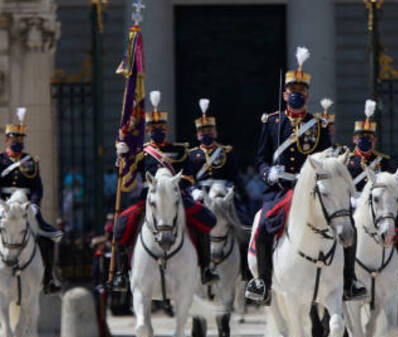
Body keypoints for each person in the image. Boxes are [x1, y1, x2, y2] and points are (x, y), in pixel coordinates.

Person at [245, 46, 367, 304]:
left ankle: (349, 281)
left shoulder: (318, 126)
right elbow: (261, 158)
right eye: (292, 91)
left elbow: (327, 159)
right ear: (284, 93)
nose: (296, 95)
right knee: (265, 223)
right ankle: (263, 282)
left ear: (308, 94)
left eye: (301, 92)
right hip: (280, 189)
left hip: (311, 189)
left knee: (348, 225)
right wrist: (269, 173)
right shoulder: (273, 123)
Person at [112, 90, 219, 291]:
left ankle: (205, 269)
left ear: (167, 128)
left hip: (176, 196)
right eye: (153, 127)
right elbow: (126, 179)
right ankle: (120, 274)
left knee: (204, 222)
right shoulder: (141, 153)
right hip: (149, 198)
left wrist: (179, 187)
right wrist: (121, 159)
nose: (157, 130)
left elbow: (188, 176)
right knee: (122, 226)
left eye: (160, 126)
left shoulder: (179, 150)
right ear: (148, 129)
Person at [0, 108, 63, 297]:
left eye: (20, 138)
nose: (17, 141)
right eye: (13, 138)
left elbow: (37, 187)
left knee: (48, 238)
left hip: (25, 204)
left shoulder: (31, 161)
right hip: (3, 205)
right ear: (6, 139)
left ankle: (49, 279)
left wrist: (34, 204)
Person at [343, 99, 398, 297]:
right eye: (361, 137)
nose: (365, 140)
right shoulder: (347, 161)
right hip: (354, 205)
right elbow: (342, 186)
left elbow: (393, 186)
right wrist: (351, 199)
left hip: (381, 207)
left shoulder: (384, 162)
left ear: (375, 140)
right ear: (354, 139)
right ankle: (344, 278)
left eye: (369, 137)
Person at [187, 98, 251, 280]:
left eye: (209, 130)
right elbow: (188, 178)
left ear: (215, 132)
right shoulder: (191, 155)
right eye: (202, 131)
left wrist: (233, 188)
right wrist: (193, 190)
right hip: (201, 196)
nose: (206, 133)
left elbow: (235, 177)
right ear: (197, 134)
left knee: (244, 226)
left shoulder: (226, 152)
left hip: (224, 195)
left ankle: (246, 270)